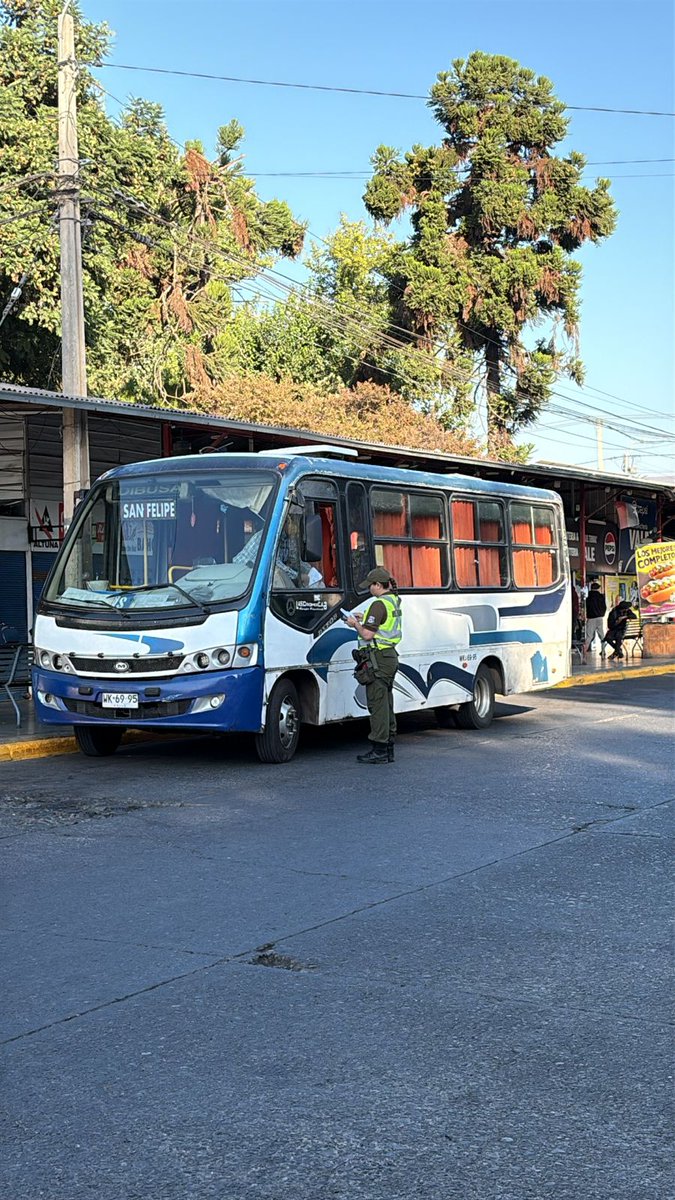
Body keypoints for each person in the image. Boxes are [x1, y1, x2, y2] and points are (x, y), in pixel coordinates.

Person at [345, 567, 402, 764]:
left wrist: (355, 624)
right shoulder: (392, 600)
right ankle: (388, 747)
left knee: (377, 704)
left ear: (378, 585)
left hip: (378, 658)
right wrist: (365, 618)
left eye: (370, 585)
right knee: (386, 703)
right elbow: (380, 625)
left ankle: (379, 749)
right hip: (389, 657)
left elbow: (367, 635)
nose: (369, 589)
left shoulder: (379, 604)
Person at [585, 580, 607, 654]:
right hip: (599, 618)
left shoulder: (588, 598)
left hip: (591, 619)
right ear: (598, 588)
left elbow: (586, 608)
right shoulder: (601, 597)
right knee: (602, 636)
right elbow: (604, 607)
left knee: (589, 636)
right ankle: (603, 651)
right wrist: (602, 614)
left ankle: (584, 654)